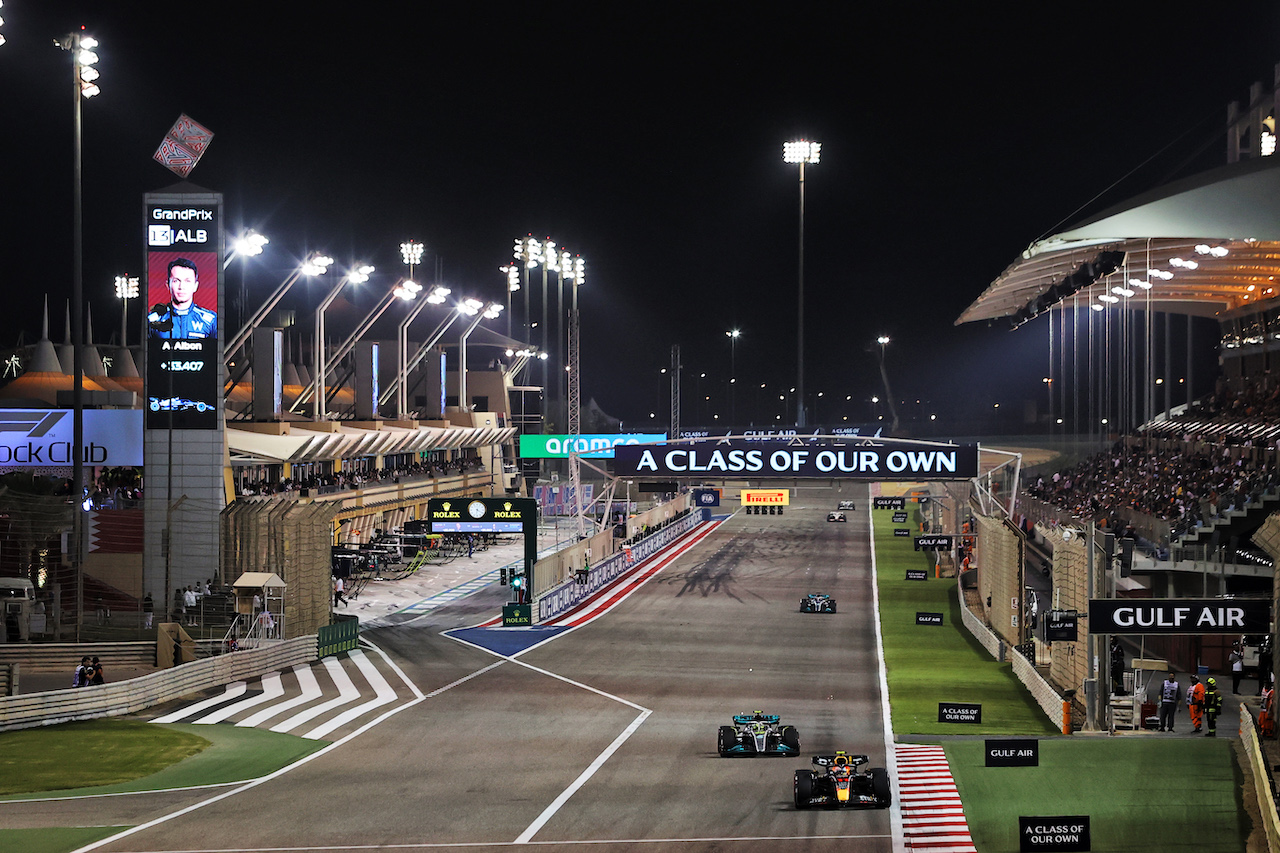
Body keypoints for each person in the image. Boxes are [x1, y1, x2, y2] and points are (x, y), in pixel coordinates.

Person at [147, 257, 217, 339]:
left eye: (187, 281)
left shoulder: (211, 321)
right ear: (168, 285)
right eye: (176, 281)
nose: (181, 287)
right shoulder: (152, 320)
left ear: (195, 286)